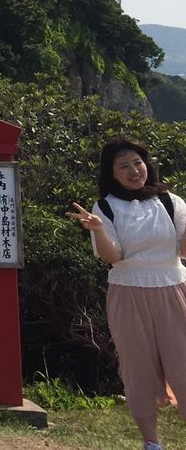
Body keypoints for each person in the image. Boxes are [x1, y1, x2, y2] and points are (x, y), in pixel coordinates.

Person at [67, 135, 186, 450]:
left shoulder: (171, 201)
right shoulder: (105, 207)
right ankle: (151, 442)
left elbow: (184, 251)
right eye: (124, 166)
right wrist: (99, 229)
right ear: (112, 173)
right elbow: (114, 257)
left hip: (174, 288)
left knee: (184, 364)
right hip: (128, 293)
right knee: (138, 367)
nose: (135, 171)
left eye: (138, 163)